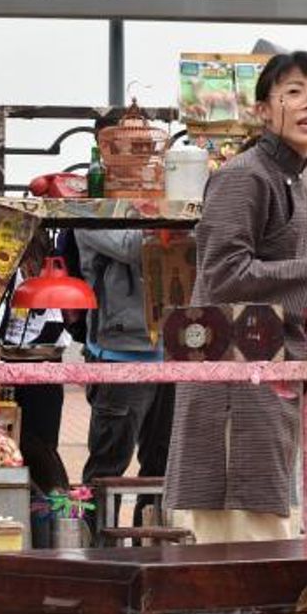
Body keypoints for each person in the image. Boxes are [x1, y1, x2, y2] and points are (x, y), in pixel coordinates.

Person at [163, 50, 307, 544]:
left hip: (262, 370)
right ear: (262, 109)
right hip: (235, 381)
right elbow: (224, 273)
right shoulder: (245, 175)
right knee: (241, 534)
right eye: (294, 92)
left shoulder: (287, 178)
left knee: (263, 525)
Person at [77, 227, 175, 536]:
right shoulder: (93, 213)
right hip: (119, 355)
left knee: (163, 465)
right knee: (107, 467)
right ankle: (94, 553)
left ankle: (149, 551)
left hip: (173, 351)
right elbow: (135, 247)